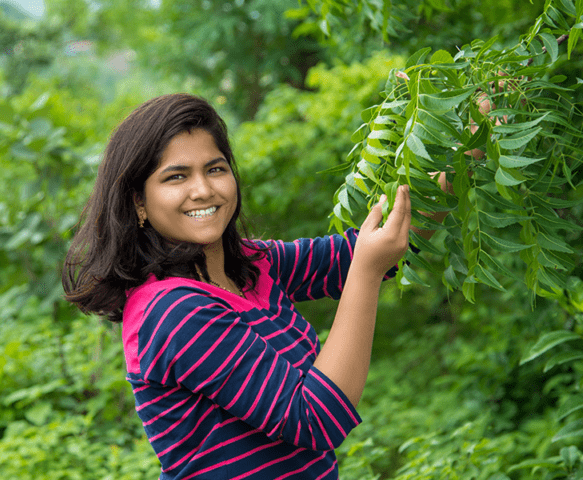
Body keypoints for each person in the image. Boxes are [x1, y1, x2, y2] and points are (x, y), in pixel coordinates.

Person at [63, 93, 426, 479]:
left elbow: (354, 253)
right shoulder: (172, 311)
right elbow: (316, 418)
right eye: (176, 176)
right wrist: (367, 273)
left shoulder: (251, 266)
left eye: (215, 169)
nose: (203, 190)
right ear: (138, 202)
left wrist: (459, 158)